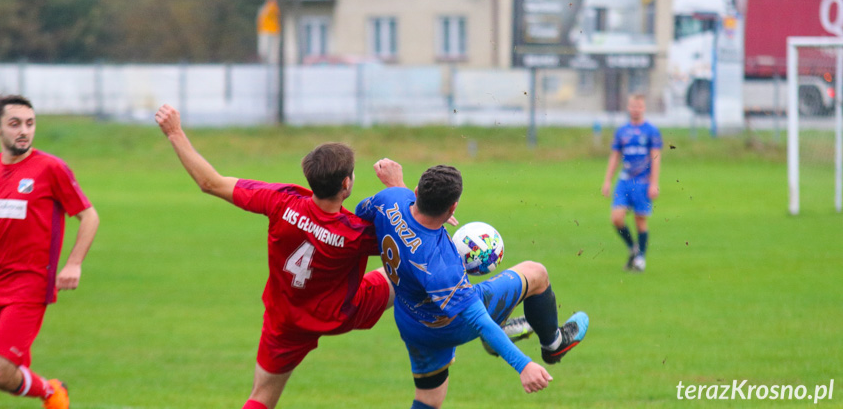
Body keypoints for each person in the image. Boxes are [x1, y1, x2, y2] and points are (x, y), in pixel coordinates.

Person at [155, 104, 394, 409]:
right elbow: (408, 237)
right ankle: (437, 334)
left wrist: (174, 132)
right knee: (404, 271)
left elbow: (210, 182)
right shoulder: (356, 233)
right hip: (342, 311)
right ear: (347, 183)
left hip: (285, 321)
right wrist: (400, 190)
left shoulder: (282, 202)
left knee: (261, 399)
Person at [355, 159, 589, 409]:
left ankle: (498, 331)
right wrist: (524, 366)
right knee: (536, 273)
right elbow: (478, 319)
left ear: (416, 193)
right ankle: (553, 344)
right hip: (450, 326)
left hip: (411, 321)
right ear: (452, 207)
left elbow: (363, 216)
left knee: (429, 400)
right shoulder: (442, 267)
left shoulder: (390, 199)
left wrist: (403, 201)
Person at [0, 95, 100, 409]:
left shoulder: (50, 168)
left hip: (28, 285)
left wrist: (74, 264)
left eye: (30, 124)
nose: (24, 131)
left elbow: (89, 216)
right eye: (15, 124)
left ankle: (50, 391)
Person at [601, 93, 662, 272]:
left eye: (639, 106)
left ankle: (640, 258)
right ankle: (632, 248)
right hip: (625, 181)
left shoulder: (651, 131)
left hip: (643, 182)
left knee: (640, 221)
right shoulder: (622, 131)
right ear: (629, 108)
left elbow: (656, 157)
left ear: (643, 108)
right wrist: (607, 181)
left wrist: (654, 183)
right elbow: (615, 157)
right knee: (616, 218)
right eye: (633, 106)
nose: (636, 109)